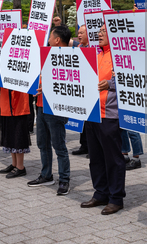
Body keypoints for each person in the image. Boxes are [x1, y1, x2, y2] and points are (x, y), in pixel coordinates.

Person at [80, 24, 126, 215]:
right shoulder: (94, 54)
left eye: (103, 31)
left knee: (113, 159)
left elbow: (129, 77)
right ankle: (100, 193)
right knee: (96, 157)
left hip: (110, 114)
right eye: (98, 31)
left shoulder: (120, 55)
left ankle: (116, 198)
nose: (99, 34)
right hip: (92, 113)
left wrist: (110, 83)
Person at [29, 25, 71, 196]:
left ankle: (64, 180)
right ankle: (46, 175)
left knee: (59, 146)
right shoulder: (45, 55)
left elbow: (69, 83)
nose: (47, 40)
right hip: (40, 105)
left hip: (56, 108)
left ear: (57, 39)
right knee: (42, 143)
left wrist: (48, 88)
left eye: (50, 37)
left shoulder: (69, 57)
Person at [72, 24, 89, 157]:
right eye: (78, 33)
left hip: (90, 88)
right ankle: (84, 145)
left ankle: (92, 147)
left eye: (82, 33)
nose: (79, 35)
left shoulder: (94, 49)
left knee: (91, 121)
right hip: (80, 88)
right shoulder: (78, 47)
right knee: (82, 119)